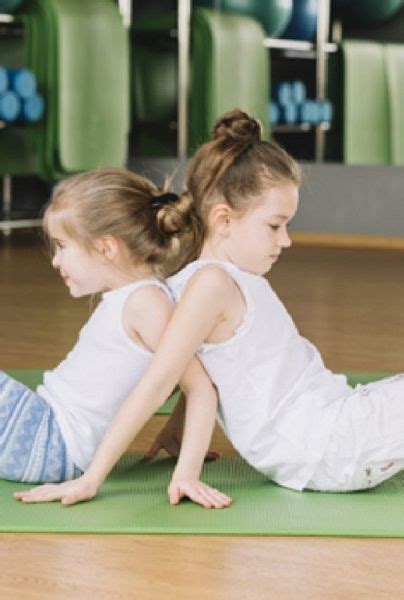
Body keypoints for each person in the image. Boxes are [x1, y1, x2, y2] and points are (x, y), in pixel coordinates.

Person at [15, 109, 404, 507]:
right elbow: (158, 383)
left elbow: (200, 372)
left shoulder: (204, 283)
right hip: (322, 445)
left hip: (329, 430)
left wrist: (175, 429)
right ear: (224, 219)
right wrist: (93, 479)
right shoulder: (211, 285)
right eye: (275, 225)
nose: (285, 240)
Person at [7, 166, 231, 508]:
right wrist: (175, 428)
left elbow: (201, 386)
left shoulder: (145, 303)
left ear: (107, 248)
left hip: (52, 442)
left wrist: (187, 473)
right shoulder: (142, 298)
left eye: (63, 246)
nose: (56, 260)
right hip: (46, 430)